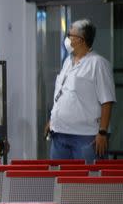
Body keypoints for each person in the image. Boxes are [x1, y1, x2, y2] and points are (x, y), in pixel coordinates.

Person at [45, 19, 116, 163]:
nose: (67, 39)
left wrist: (102, 132)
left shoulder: (98, 63)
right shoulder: (67, 62)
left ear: (81, 40)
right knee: (60, 181)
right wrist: (52, 120)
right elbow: (63, 93)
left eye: (70, 35)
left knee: (87, 183)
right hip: (59, 134)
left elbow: (107, 101)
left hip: (85, 137)